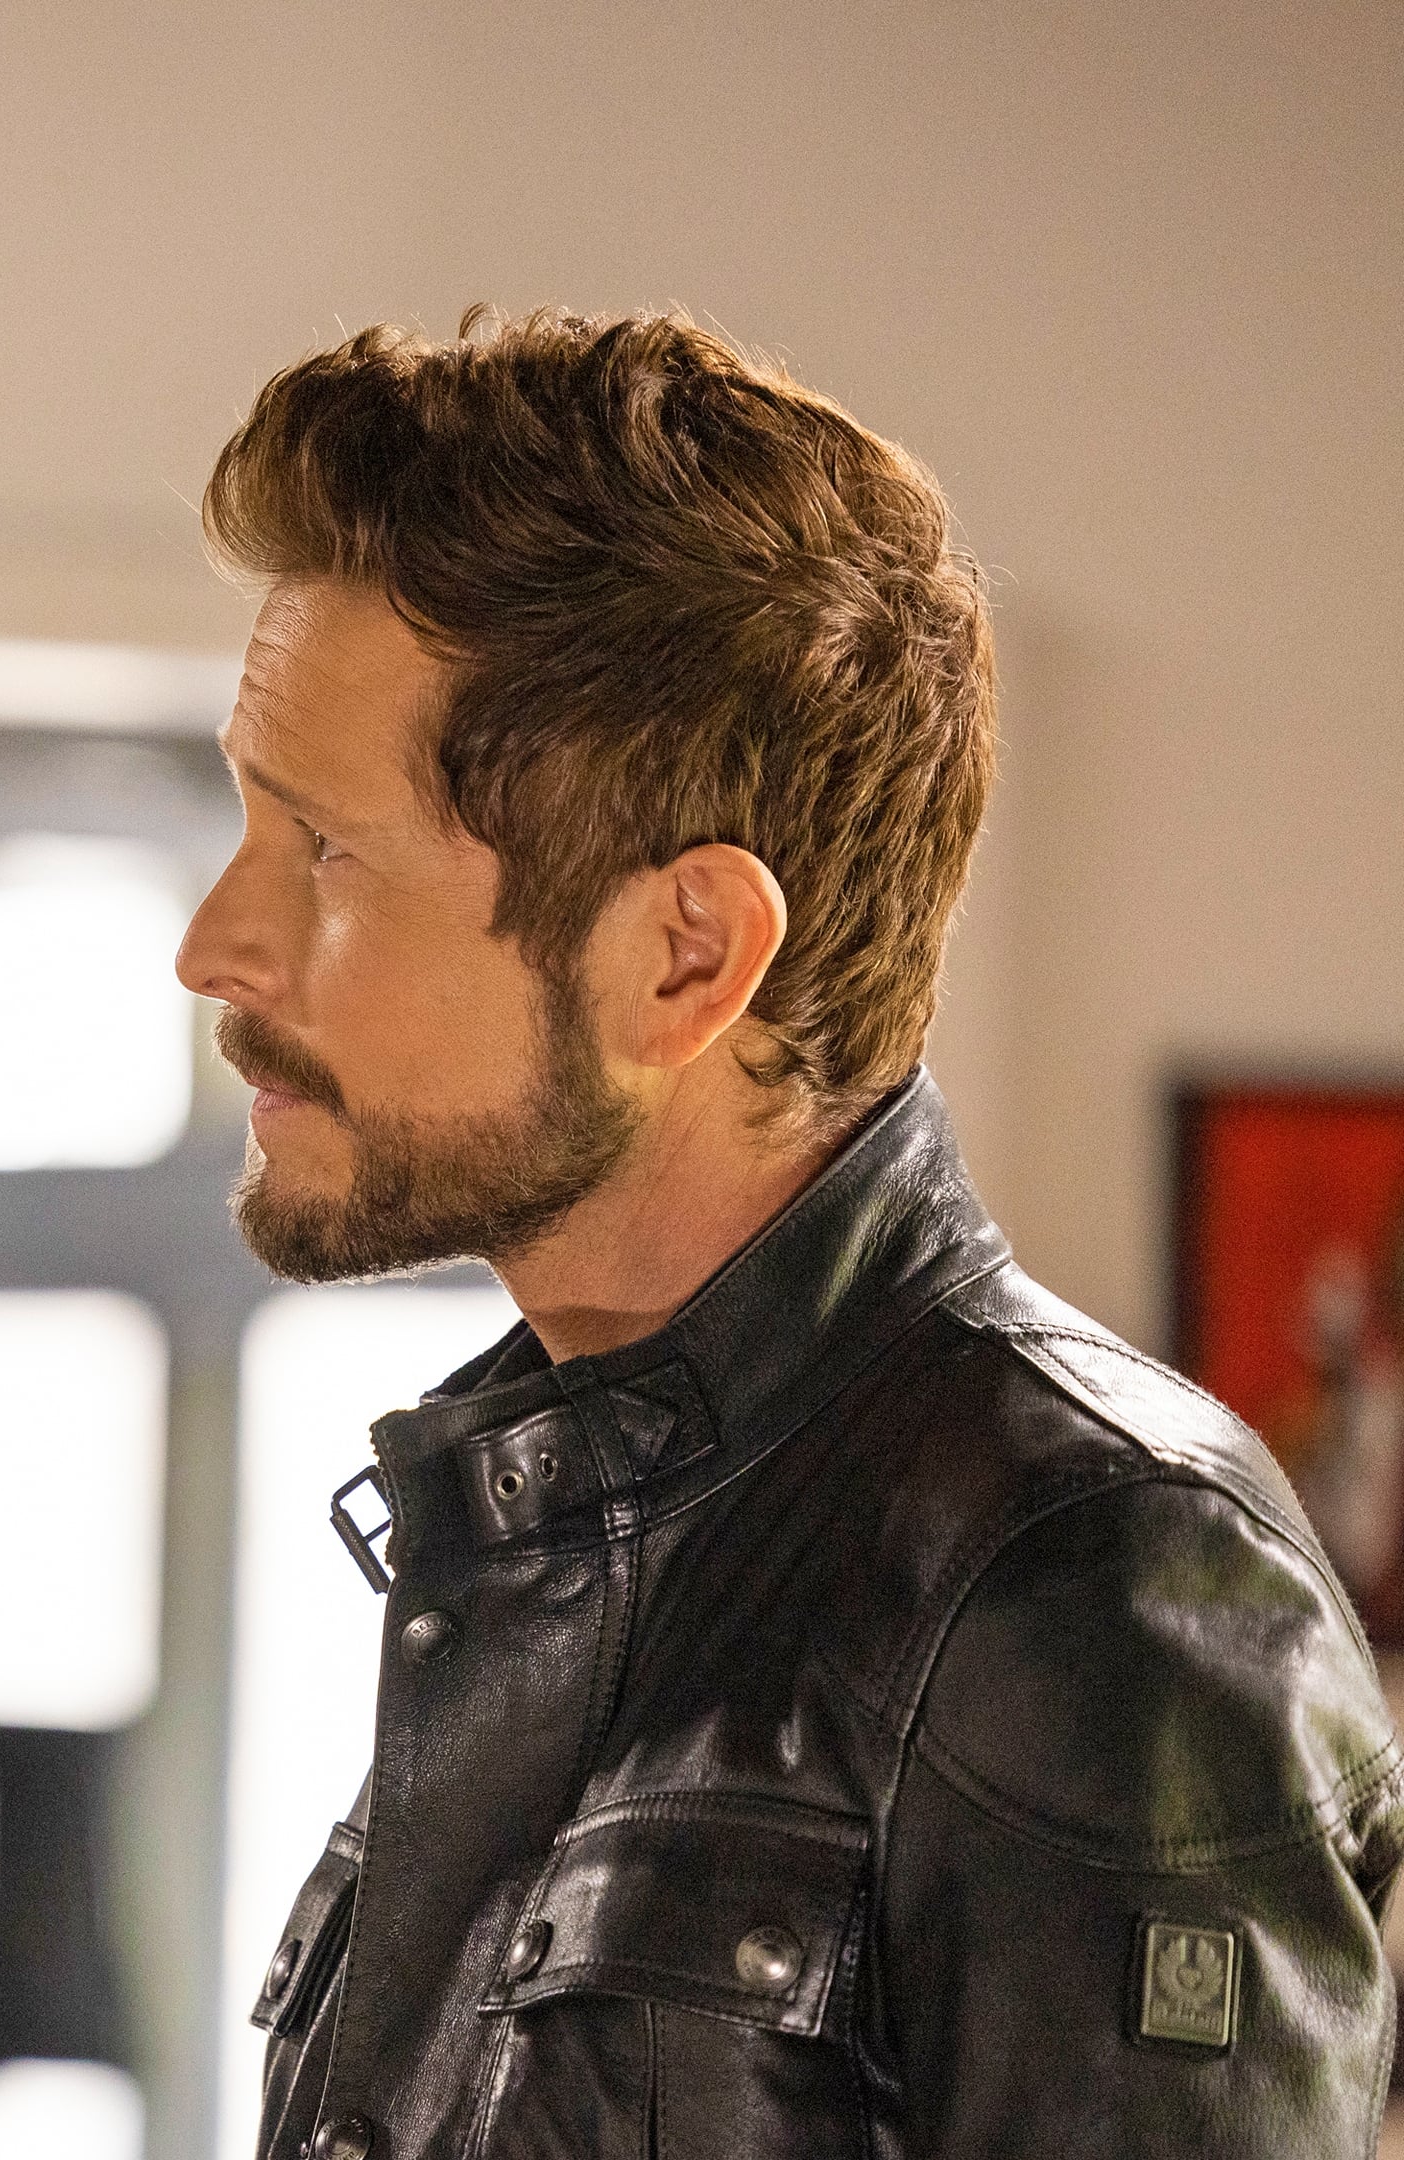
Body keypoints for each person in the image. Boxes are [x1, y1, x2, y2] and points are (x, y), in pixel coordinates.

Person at [183, 310, 1400, 2157]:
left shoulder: (1098, 1583)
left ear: (688, 956)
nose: (216, 945)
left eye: (326, 852)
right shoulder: (550, 1541)